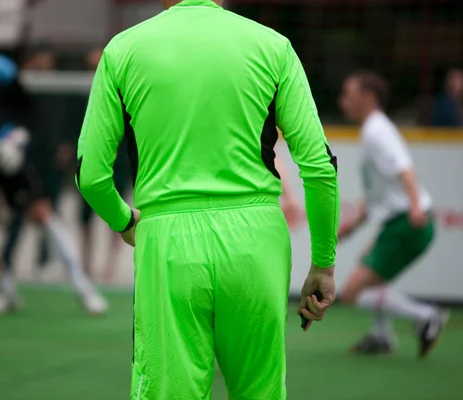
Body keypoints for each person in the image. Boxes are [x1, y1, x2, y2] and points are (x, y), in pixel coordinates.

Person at [77, 0, 339, 398]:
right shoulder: (273, 46)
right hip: (257, 242)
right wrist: (323, 263)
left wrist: (125, 221)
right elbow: (319, 168)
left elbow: (92, 177)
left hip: (168, 242)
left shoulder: (122, 50)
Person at [0, 12, 107, 315]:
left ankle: (83, 287)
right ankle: (5, 289)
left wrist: (15, 139)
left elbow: (27, 111)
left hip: (5, 157)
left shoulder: (0, 70)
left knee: (42, 214)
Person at [337, 71, 448, 357]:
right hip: (399, 222)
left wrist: (414, 207)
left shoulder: (377, 131)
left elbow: (405, 170)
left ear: (369, 97)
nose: (342, 100)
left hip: (407, 224)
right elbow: (380, 192)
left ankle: (427, 316)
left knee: (352, 293)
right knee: (367, 271)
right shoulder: (373, 130)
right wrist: (354, 224)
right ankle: (382, 336)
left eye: (349, 94)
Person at [2, 45, 76, 278]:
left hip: (51, 160)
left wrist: (66, 144)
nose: (44, 64)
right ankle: (6, 260)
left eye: (47, 59)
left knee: (49, 210)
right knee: (19, 210)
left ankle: (44, 261)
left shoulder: (60, 89)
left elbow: (71, 120)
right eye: (39, 59)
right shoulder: (25, 87)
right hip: (26, 159)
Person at [78, 48, 133, 282]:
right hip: (91, 159)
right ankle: (86, 263)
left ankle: (109, 265)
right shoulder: (83, 91)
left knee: (119, 211)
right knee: (86, 214)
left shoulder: (122, 89)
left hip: (118, 160)